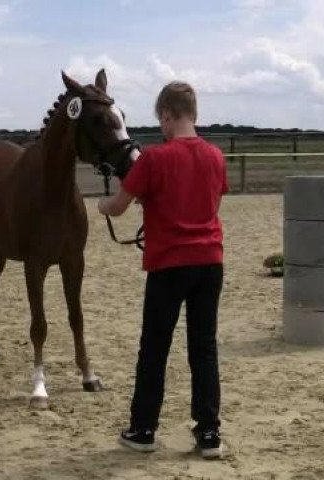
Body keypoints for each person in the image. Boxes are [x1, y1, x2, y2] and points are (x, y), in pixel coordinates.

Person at [98, 81, 228, 459]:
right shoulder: (216, 156)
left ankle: (143, 429)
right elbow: (209, 202)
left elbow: (120, 206)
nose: (163, 127)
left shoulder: (154, 159)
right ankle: (208, 433)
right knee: (204, 348)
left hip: (169, 263)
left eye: (162, 120)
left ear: (168, 114)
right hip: (209, 260)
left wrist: (102, 205)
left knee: (154, 347)